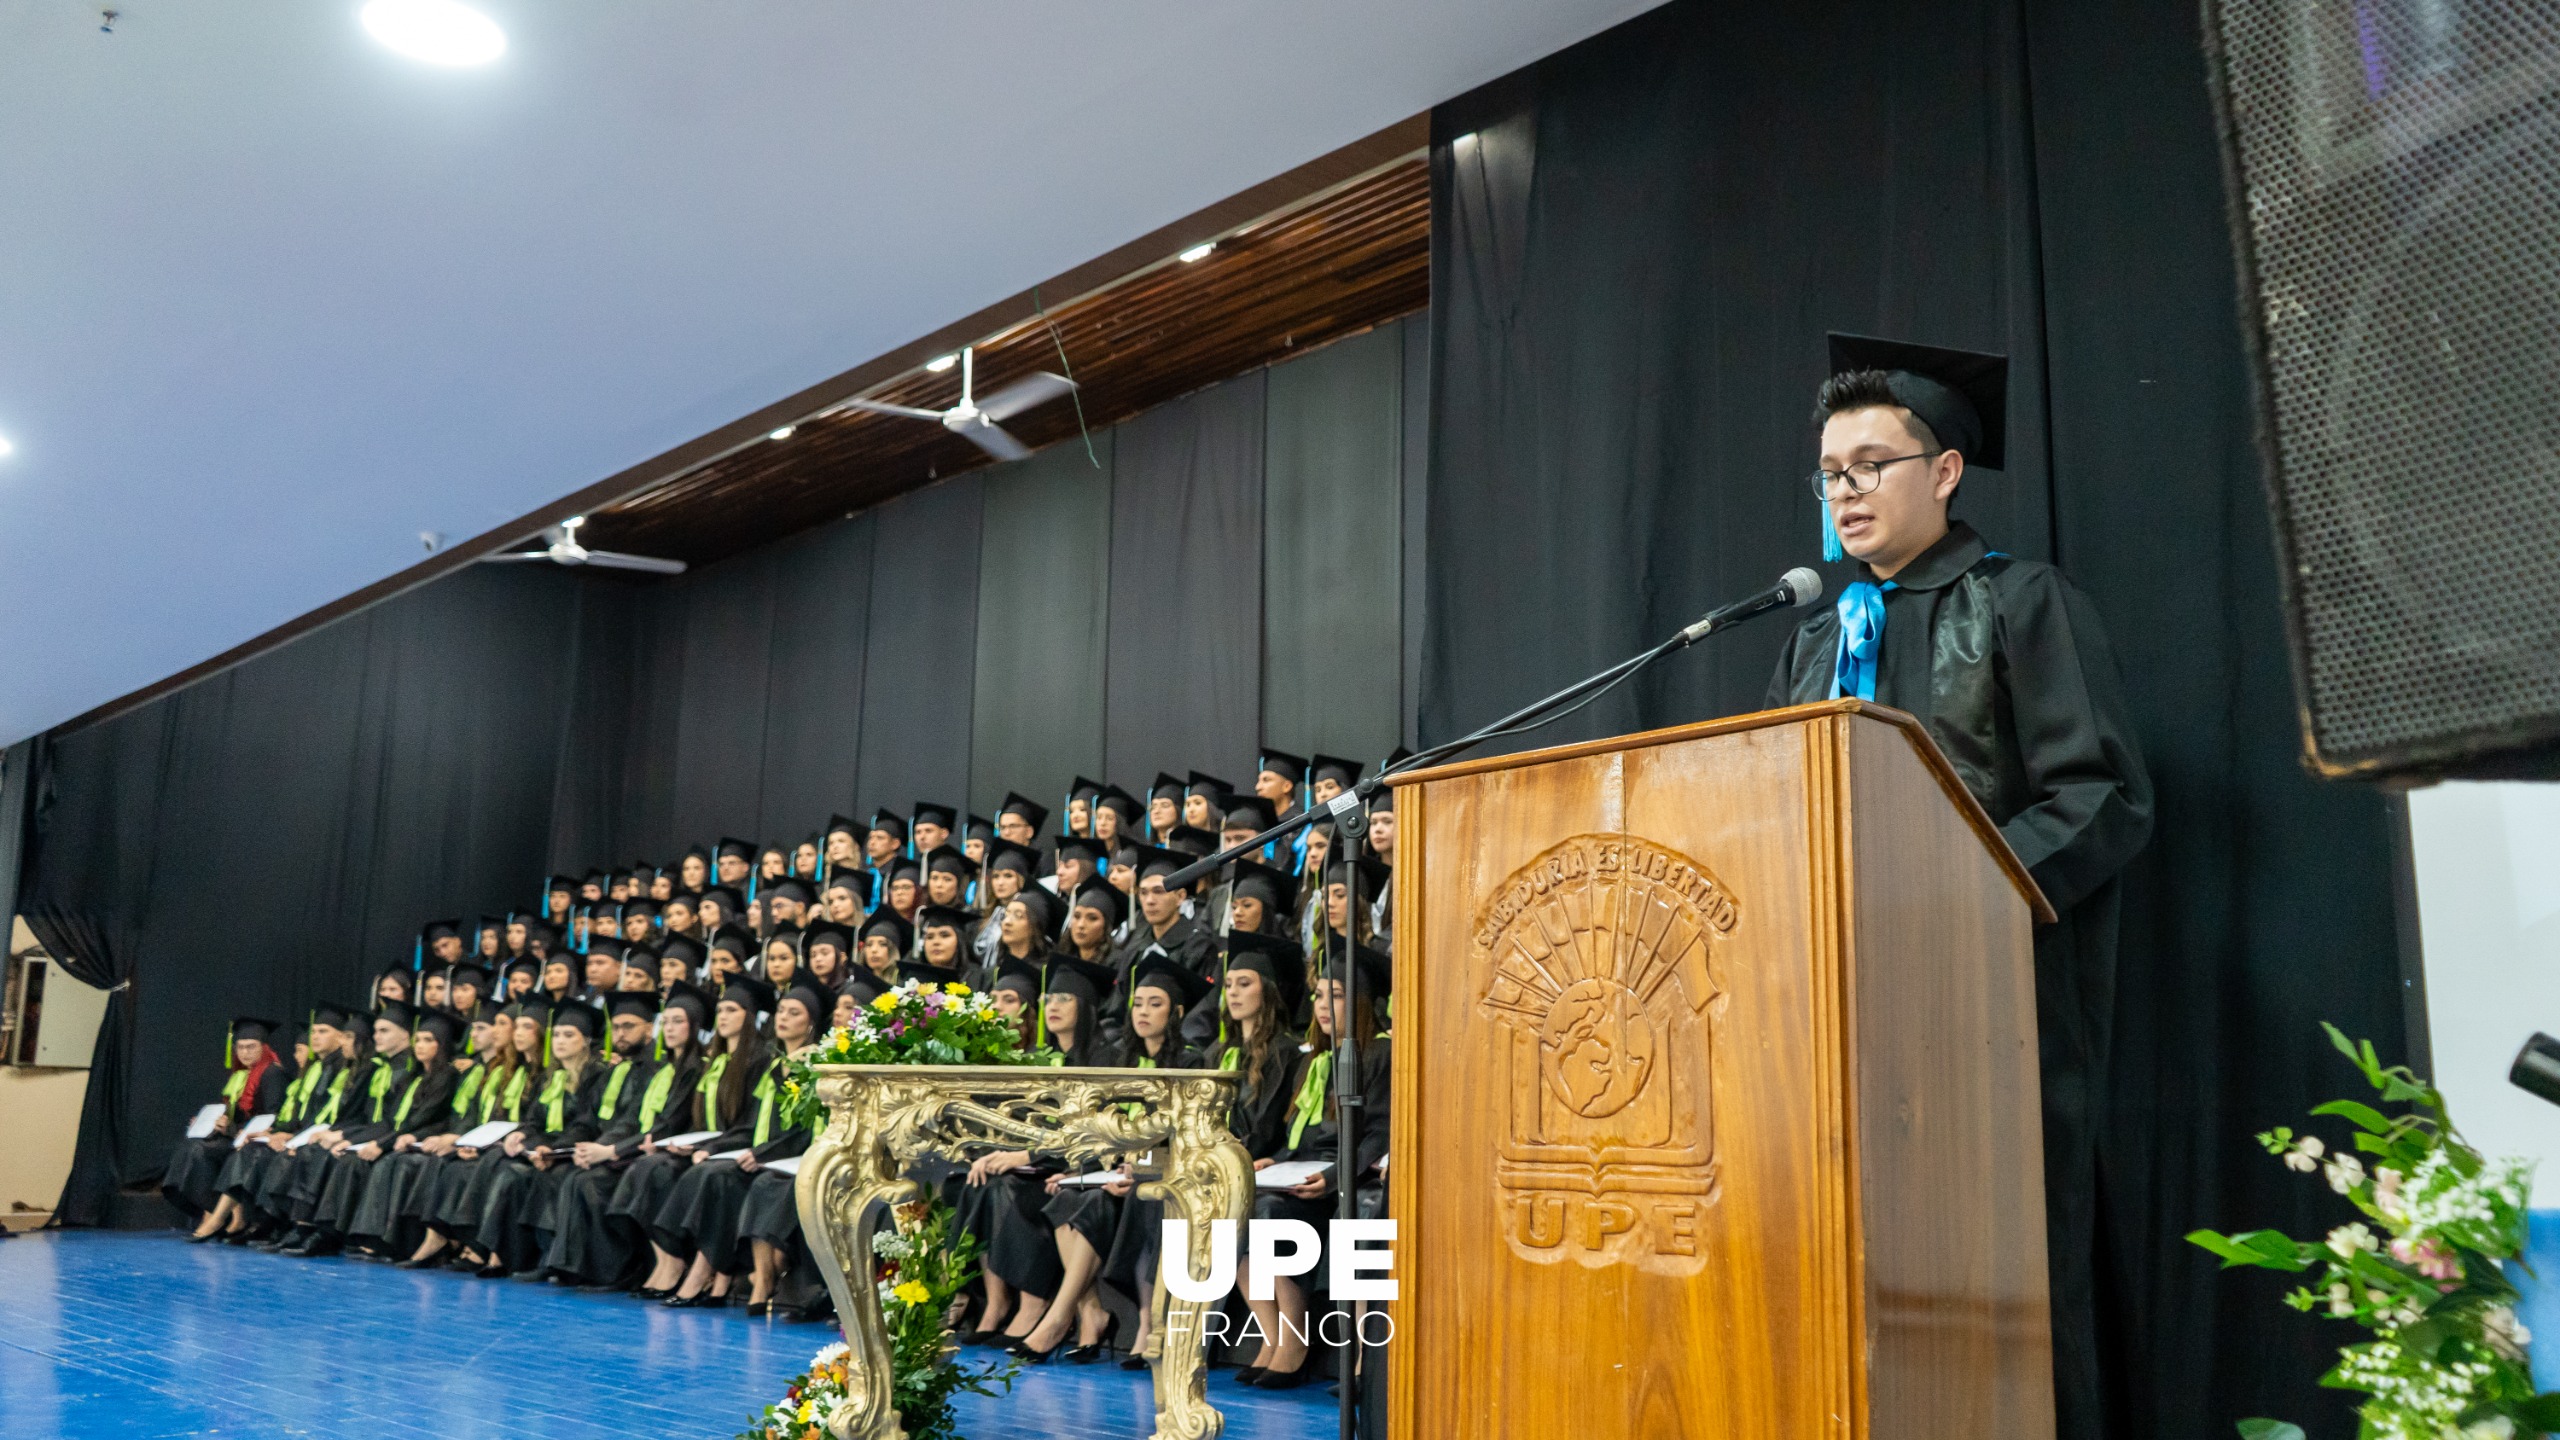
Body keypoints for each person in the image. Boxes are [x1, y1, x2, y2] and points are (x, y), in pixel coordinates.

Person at [1763, 335, 2152, 1440]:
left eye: (1869, 466)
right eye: (1829, 473)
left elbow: (2101, 796)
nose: (1844, 495)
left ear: (1942, 472)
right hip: (1829, 1023)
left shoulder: (2023, 603)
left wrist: (1952, 902)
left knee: (2000, 1284)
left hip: (1990, 1015)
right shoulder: (1811, 636)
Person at [1237, 938, 1392, 1388]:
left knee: (1271, 1215)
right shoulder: (1317, 1059)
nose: (1323, 1005)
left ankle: (1310, 1345)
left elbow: (1379, 1133)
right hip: (1305, 1171)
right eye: (1319, 995)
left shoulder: (1379, 1052)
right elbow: (1301, 1134)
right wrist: (1274, 1161)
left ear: (1361, 1001)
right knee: (1237, 1213)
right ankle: (1277, 1335)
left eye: (1337, 995)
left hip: (1348, 1174)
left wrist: (1331, 1178)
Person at [541, 991, 701, 1290]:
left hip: (652, 1150)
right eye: (616, 1027)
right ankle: (571, 1267)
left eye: (629, 1026)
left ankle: (618, 1272)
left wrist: (610, 1150)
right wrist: (579, 1148)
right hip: (629, 1147)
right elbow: (611, 1120)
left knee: (591, 1182)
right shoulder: (622, 1071)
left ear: (647, 1029)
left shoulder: (667, 1070)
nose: (621, 1034)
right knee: (573, 1176)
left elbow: (661, 1124)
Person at [651, 974, 780, 1307]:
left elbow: (749, 1124)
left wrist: (710, 1149)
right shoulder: (716, 1062)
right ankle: (696, 1269)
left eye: (732, 1010)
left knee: (712, 1177)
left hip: (742, 1151)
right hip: (717, 1150)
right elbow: (702, 1122)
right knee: (657, 1167)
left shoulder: (761, 1060)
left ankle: (704, 1271)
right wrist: (691, 1144)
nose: (722, 1017)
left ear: (749, 1017)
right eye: (719, 1010)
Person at [473, 999, 610, 1275]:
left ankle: (546, 1256)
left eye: (569, 1035)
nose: (560, 1041)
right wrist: (521, 1136)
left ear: (586, 1041)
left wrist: (551, 1148)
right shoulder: (553, 1075)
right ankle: (499, 1253)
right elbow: (534, 1120)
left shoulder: (597, 1074)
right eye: (557, 1034)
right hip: (546, 1148)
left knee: (537, 1177)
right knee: (503, 1164)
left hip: (572, 1148)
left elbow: (586, 1123)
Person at [737, 979, 829, 1316]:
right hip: (778, 1158)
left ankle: (768, 1272)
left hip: (806, 1156)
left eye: (795, 1012)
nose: (784, 1017)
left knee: (767, 1183)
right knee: (761, 1182)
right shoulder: (773, 1066)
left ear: (811, 1024)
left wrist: (763, 1155)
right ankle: (765, 1275)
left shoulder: (818, 1066)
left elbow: (804, 1129)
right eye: (781, 1011)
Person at [170, 1016, 290, 1238]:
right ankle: (212, 1208)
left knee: (204, 1151)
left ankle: (230, 1214)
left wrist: (233, 1130)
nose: (244, 1053)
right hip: (237, 1135)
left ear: (264, 1048)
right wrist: (211, 1122)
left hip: (256, 1139)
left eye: (251, 1047)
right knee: (192, 1146)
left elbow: (272, 1117)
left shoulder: (272, 1073)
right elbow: (232, 1113)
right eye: (240, 1047)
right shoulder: (240, 1075)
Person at [1215, 931, 1308, 1159]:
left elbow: (1267, 1129)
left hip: (1252, 1163)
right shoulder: (1222, 1052)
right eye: (1228, 985)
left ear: (1267, 991)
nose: (1233, 992)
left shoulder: (1283, 1052)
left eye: (1244, 984)